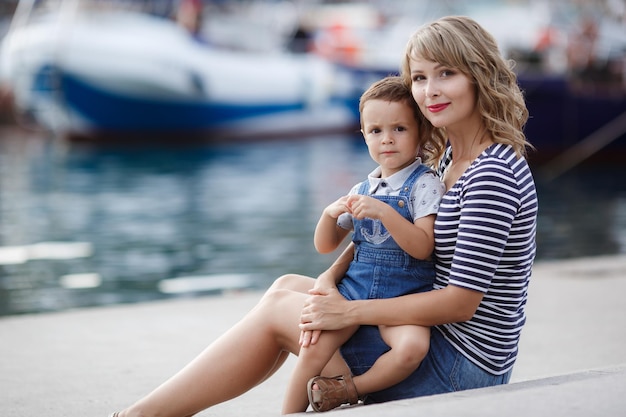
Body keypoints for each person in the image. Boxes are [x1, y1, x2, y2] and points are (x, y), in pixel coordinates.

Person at [109, 15, 537, 417]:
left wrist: (348, 313)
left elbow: (461, 302)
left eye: (447, 73)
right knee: (289, 287)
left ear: (479, 75)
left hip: (458, 367)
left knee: (281, 310)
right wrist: (329, 282)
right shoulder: (450, 159)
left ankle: (142, 415)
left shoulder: (491, 172)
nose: (429, 91)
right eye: (420, 78)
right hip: (435, 340)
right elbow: (396, 253)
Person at [282, 76, 445, 414]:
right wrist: (329, 215)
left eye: (399, 129)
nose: (387, 139)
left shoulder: (425, 185)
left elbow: (423, 247)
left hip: (403, 300)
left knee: (411, 349)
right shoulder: (362, 188)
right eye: (375, 131)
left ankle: (349, 390)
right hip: (354, 292)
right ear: (363, 135)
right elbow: (325, 246)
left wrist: (386, 214)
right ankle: (288, 412)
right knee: (313, 343)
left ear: (421, 132)